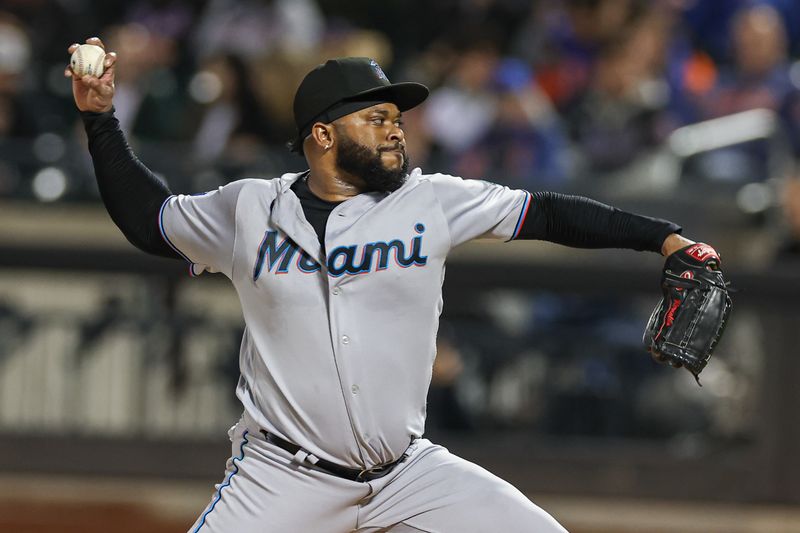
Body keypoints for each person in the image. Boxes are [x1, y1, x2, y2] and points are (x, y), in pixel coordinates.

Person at [67, 36, 699, 533]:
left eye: (397, 117)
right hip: (283, 477)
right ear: (322, 136)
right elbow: (151, 221)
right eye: (376, 117)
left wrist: (665, 238)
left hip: (407, 472)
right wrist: (100, 121)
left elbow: (552, 213)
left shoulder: (432, 201)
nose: (396, 128)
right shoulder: (249, 208)